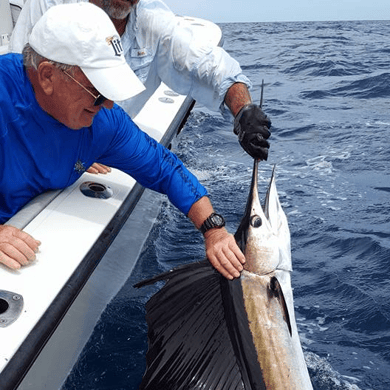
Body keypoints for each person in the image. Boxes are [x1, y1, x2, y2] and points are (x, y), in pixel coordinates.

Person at [0, 2, 245, 280]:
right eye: (97, 90)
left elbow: (164, 168)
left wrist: (214, 229)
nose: (108, 104)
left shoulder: (103, 123)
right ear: (47, 76)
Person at [9, 0, 271, 161]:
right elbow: (20, 79)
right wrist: (75, 144)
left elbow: (208, 63)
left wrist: (244, 110)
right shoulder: (49, 5)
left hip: (109, 145)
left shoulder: (152, 19)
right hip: (36, 144)